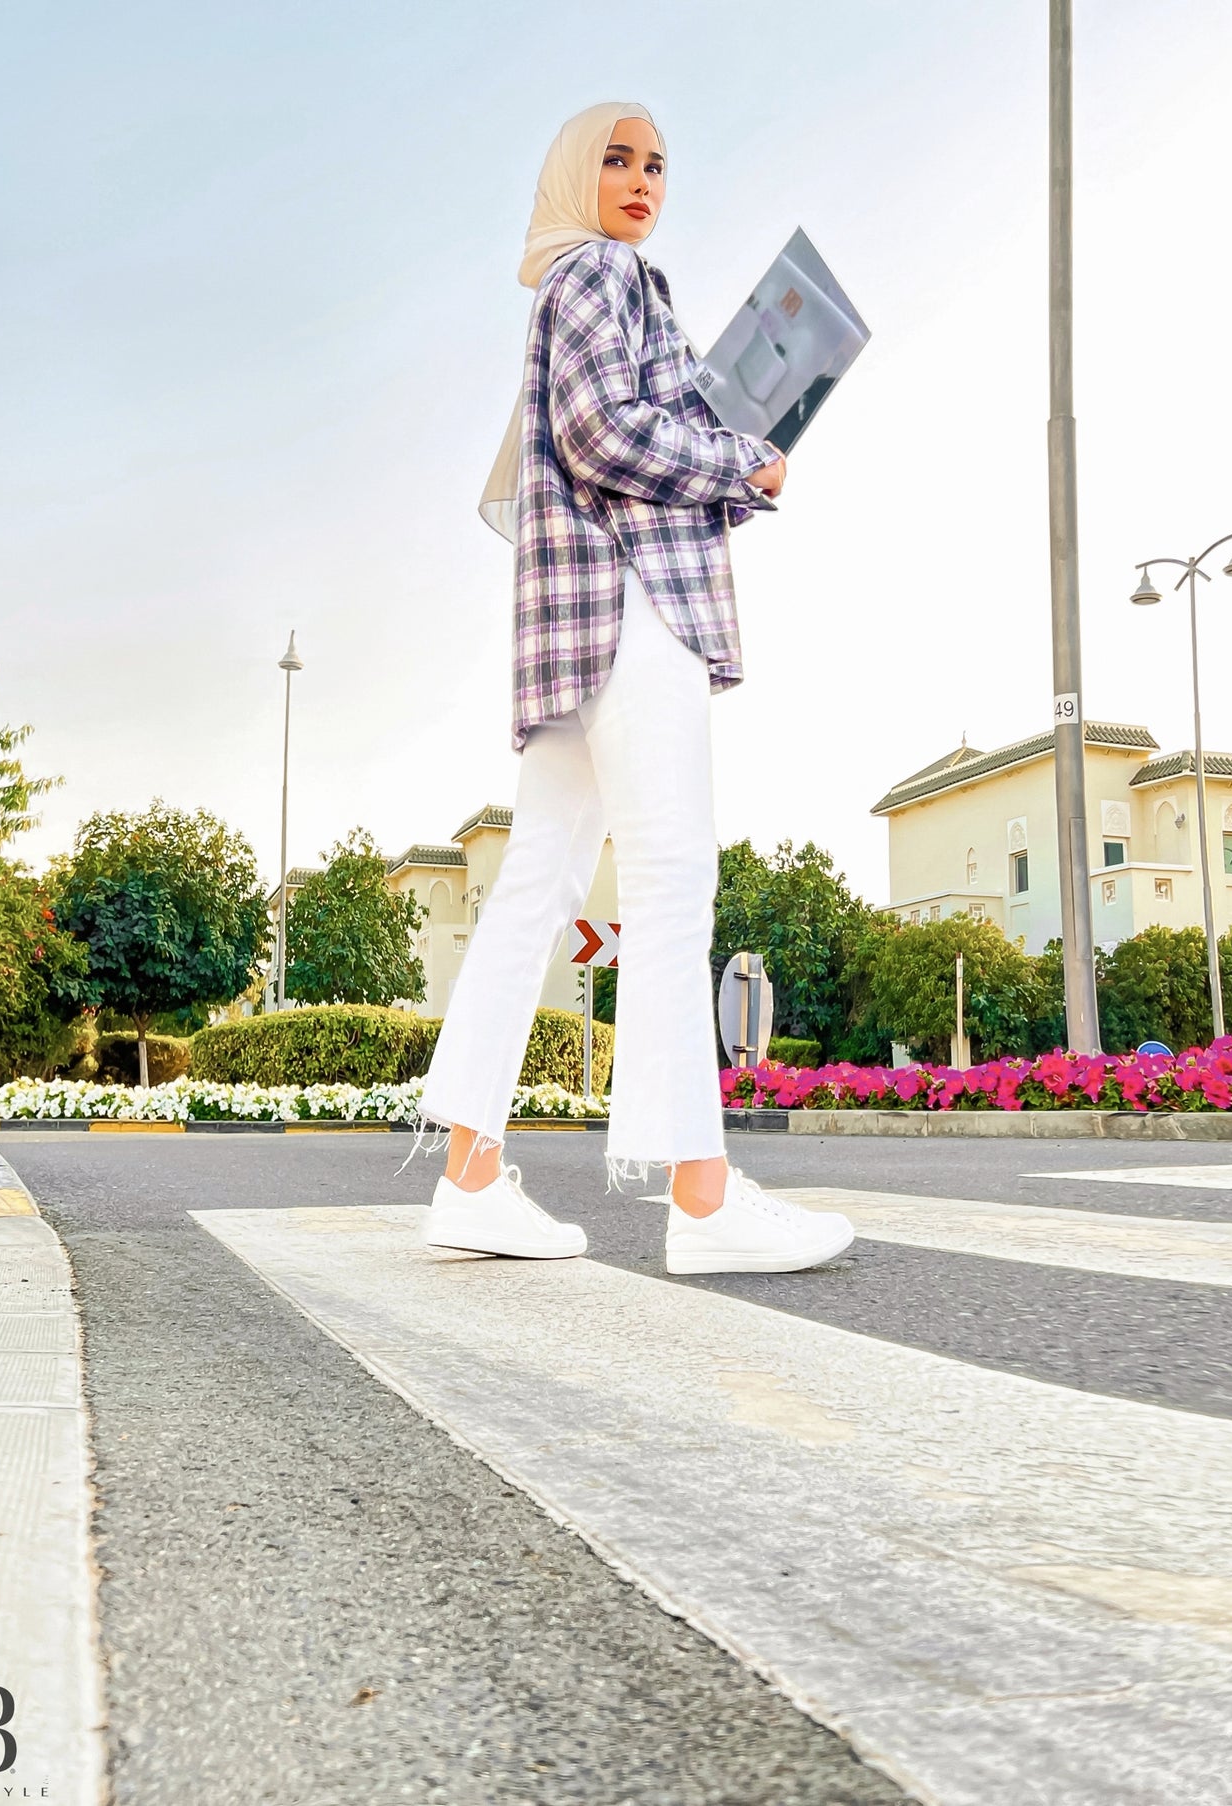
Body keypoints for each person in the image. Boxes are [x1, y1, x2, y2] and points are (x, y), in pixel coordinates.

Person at [404, 101, 854, 1277]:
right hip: (633, 606)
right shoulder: (604, 272)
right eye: (616, 157)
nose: (641, 178)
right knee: (669, 881)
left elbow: (595, 436)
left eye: (656, 163)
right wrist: (740, 462)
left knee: (532, 892)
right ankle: (700, 1201)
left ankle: (466, 1175)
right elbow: (605, 435)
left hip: (571, 625)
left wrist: (720, 442)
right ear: (572, 173)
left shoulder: (573, 285)